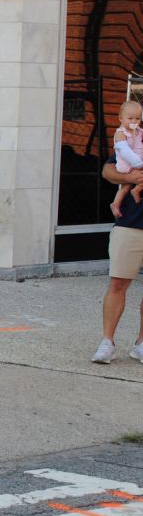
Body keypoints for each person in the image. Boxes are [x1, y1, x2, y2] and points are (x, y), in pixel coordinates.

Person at [92, 155, 143, 363]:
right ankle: (107, 342)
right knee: (117, 282)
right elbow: (107, 171)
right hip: (129, 223)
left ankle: (141, 344)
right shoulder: (136, 142)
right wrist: (130, 175)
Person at [110, 101, 143, 219]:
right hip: (127, 164)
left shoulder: (138, 131)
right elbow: (124, 150)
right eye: (130, 118)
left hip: (137, 162)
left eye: (138, 118)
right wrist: (137, 163)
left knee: (126, 186)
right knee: (126, 185)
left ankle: (117, 203)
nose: (134, 121)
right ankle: (117, 203)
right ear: (121, 119)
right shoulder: (120, 133)